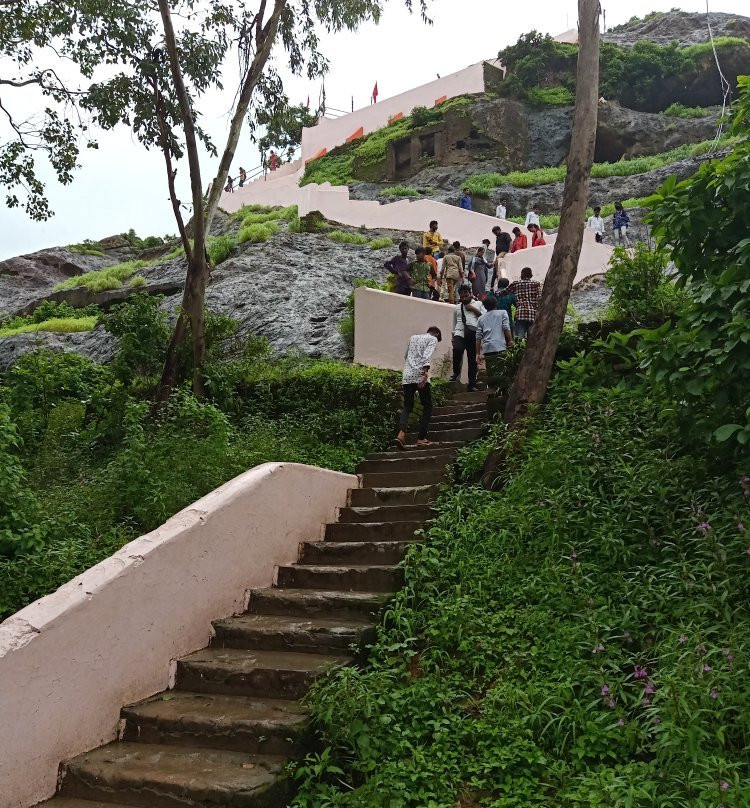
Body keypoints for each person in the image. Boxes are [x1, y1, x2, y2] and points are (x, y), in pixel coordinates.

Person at [395, 326, 442, 450]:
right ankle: (421, 438)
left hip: (407, 375)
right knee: (427, 406)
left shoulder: (413, 338)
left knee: (408, 405)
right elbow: (427, 355)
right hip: (420, 374)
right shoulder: (433, 339)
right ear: (436, 334)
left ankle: (401, 434)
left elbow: (406, 356)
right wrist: (425, 374)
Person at [451, 285, 484, 392]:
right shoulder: (457, 307)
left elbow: (484, 317)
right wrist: (453, 336)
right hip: (459, 332)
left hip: (473, 333)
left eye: (466, 295)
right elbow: (454, 323)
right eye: (462, 296)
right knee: (457, 349)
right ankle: (456, 372)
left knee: (472, 360)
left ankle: (472, 384)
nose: (464, 297)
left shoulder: (478, 304)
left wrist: (473, 309)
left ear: (470, 294)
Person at [476, 294, 514, 367]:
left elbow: (478, 337)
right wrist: (510, 341)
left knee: (490, 370)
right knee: (501, 369)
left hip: (487, 349)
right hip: (500, 347)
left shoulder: (481, 318)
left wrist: (478, 354)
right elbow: (506, 328)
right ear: (496, 304)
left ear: (484, 306)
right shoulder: (502, 313)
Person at [507, 267, 541, 339]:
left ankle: (520, 346)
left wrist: (496, 293)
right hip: (532, 314)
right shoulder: (536, 284)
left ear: (522, 274)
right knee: (531, 338)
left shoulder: (516, 283)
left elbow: (505, 292)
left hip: (520, 314)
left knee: (519, 338)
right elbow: (539, 298)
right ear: (531, 275)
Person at [490, 226, 512, 290]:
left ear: (499, 230)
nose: (495, 234)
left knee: (497, 259)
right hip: (499, 254)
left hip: (504, 251)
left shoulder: (505, 235)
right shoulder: (497, 238)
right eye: (494, 233)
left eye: (495, 232)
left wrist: (509, 251)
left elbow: (510, 241)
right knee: (496, 262)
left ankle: (497, 272)